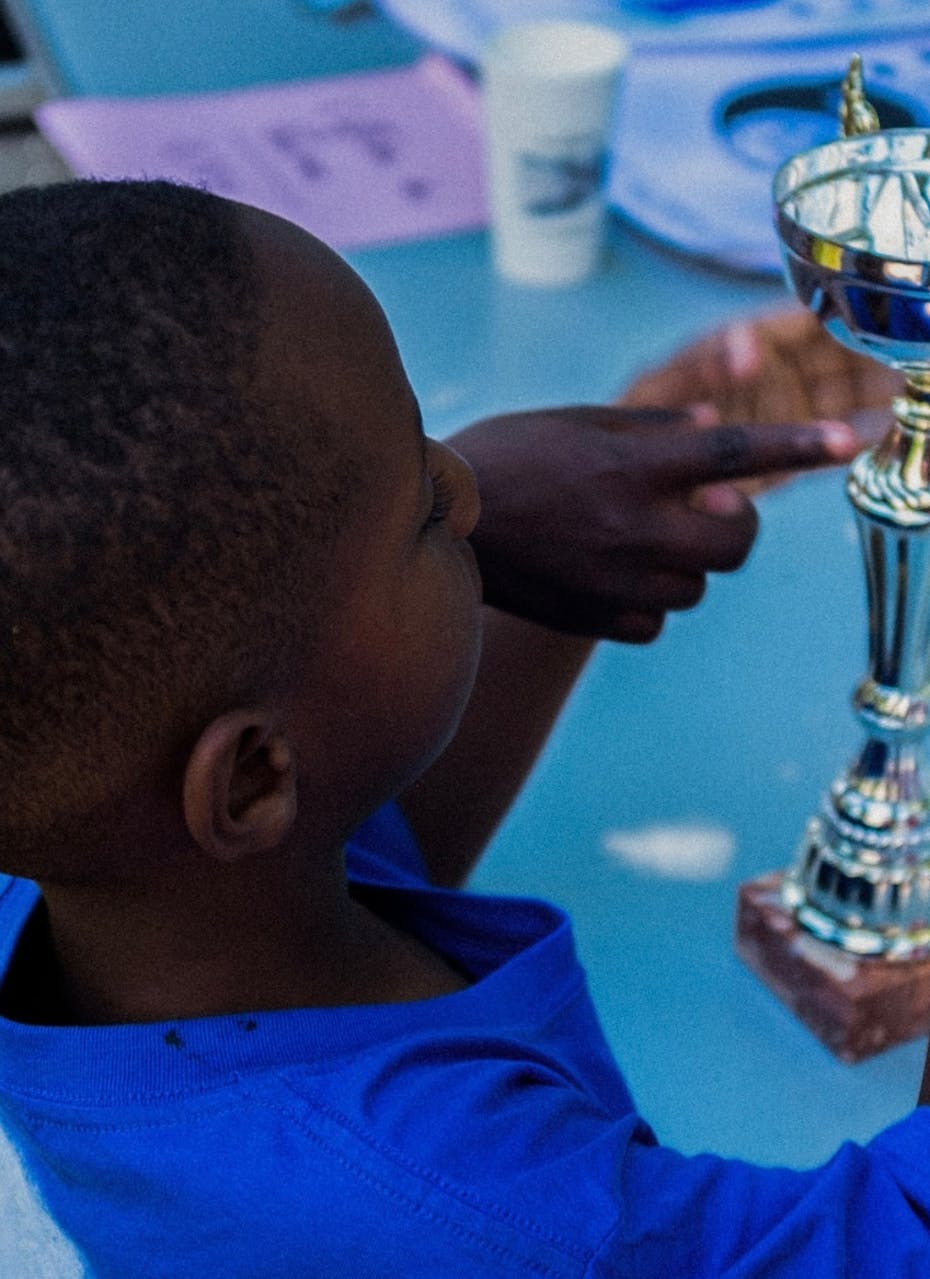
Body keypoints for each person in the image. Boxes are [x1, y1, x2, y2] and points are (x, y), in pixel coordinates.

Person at [0, 177, 923, 1278]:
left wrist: (497, 565)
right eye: (430, 500)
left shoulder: (112, 868)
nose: (473, 489)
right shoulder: (484, 1208)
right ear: (250, 777)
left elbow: (367, 834)